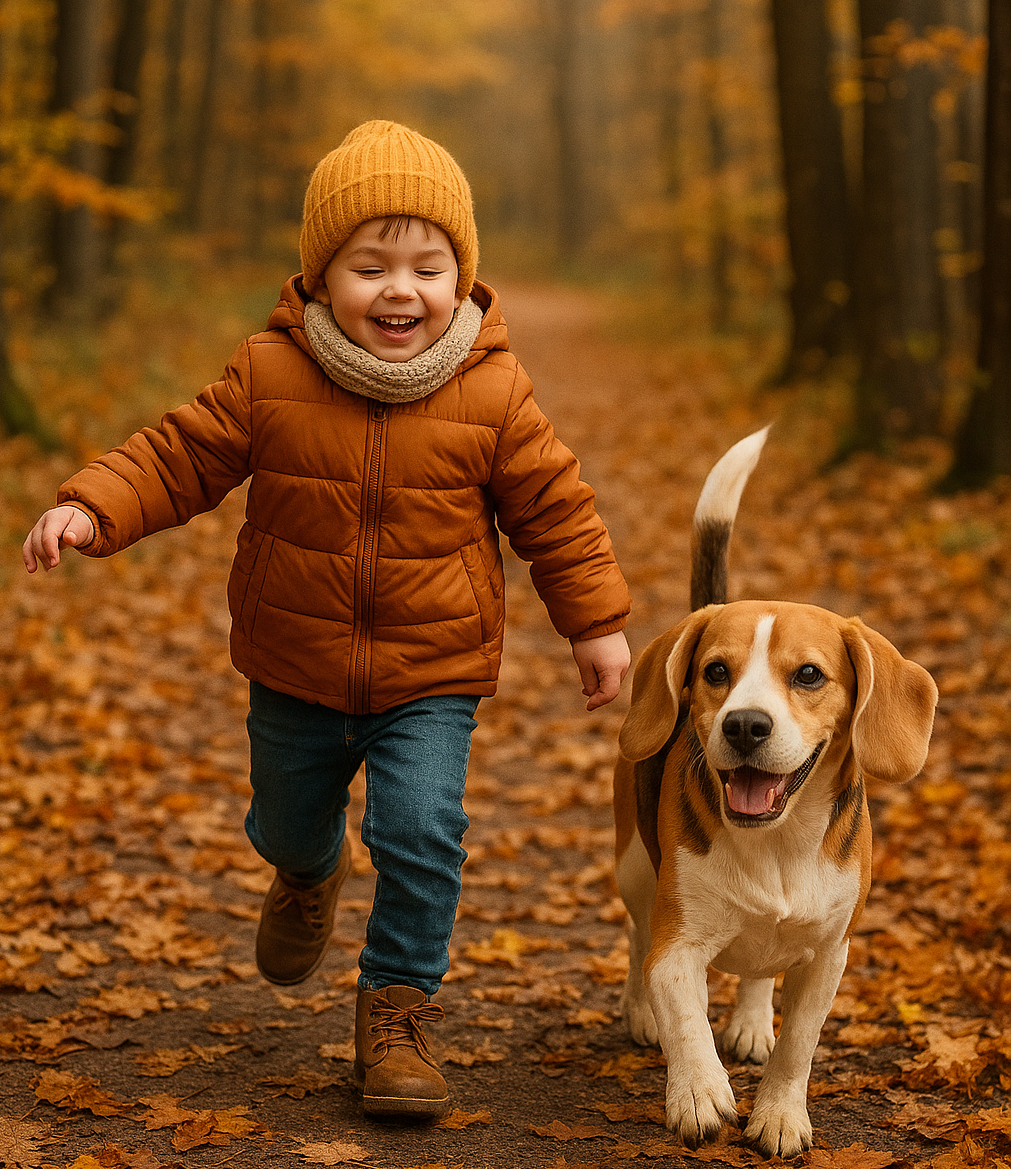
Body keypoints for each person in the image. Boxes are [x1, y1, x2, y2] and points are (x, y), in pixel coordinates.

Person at [22, 120, 631, 1120]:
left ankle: (397, 1011)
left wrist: (594, 622)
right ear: (319, 277)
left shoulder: (493, 389)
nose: (401, 290)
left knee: (421, 829)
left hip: (432, 671)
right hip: (294, 661)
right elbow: (180, 456)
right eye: (370, 266)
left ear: (461, 277)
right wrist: (91, 505)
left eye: (428, 268)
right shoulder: (271, 371)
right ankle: (308, 871)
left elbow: (555, 509)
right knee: (291, 819)